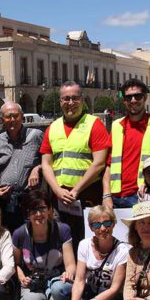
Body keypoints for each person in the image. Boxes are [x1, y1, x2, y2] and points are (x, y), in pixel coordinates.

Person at [40, 81, 110, 248]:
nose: (70, 103)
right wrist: (57, 190)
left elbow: (99, 163)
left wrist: (76, 190)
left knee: (89, 240)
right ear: (60, 102)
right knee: (63, 240)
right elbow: (46, 164)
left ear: (82, 100)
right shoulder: (52, 128)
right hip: (60, 198)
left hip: (87, 195)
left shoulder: (94, 124)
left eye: (74, 98)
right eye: (66, 99)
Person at [12, 190, 75, 300]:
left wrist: (68, 274)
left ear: (50, 210)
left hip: (56, 278)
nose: (38, 214)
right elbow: (15, 264)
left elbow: (71, 264)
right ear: (27, 213)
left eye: (42, 209)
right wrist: (22, 277)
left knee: (60, 296)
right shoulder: (20, 234)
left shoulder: (62, 230)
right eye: (34, 210)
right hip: (32, 281)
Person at [103, 79, 150, 209]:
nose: (133, 100)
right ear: (124, 101)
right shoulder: (117, 126)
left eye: (138, 96)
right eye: (128, 97)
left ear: (145, 98)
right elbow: (108, 165)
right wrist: (106, 195)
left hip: (144, 194)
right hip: (115, 197)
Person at [66, 205, 130, 300]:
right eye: (97, 225)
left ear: (114, 224)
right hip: (90, 293)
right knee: (59, 289)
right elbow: (79, 279)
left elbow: (115, 289)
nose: (102, 229)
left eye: (107, 223)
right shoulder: (84, 245)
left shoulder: (123, 250)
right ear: (91, 227)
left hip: (111, 298)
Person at [0, 102, 43, 231]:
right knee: (8, 238)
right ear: (2, 119)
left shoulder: (36, 136)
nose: (12, 120)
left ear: (22, 116)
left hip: (29, 199)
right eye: (8, 116)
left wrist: (37, 168)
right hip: (5, 202)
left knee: (30, 237)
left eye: (16, 116)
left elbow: (50, 160)